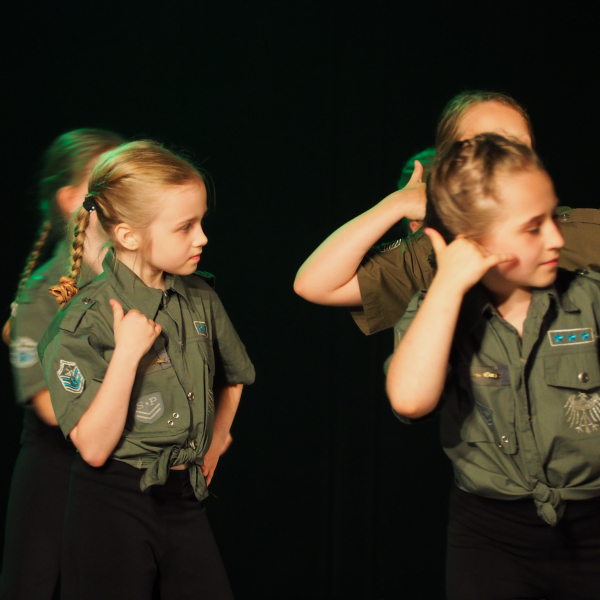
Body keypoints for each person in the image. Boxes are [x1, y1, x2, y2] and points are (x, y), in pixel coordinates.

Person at [39, 140, 255, 600]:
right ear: (128, 235)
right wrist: (127, 353)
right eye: (185, 227)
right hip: (112, 501)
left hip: (183, 499)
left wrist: (216, 439)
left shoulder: (200, 296)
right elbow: (93, 447)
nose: (202, 238)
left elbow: (235, 375)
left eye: (201, 222)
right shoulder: (82, 321)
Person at [387, 134, 600, 599]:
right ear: (473, 238)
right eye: (533, 227)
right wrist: (448, 284)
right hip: (491, 537)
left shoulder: (590, 299)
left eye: (553, 218)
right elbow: (409, 400)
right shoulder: (436, 311)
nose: (557, 238)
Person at [293, 91, 600, 335]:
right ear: (450, 163)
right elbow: (315, 284)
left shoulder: (587, 234)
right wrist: (397, 204)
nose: (508, 157)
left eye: (520, 145)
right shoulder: (432, 255)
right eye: (489, 145)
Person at [0, 128, 124, 600]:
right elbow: (52, 409)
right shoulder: (42, 293)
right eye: (106, 181)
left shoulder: (135, 277)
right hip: (56, 473)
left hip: (118, 471)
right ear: (73, 199)